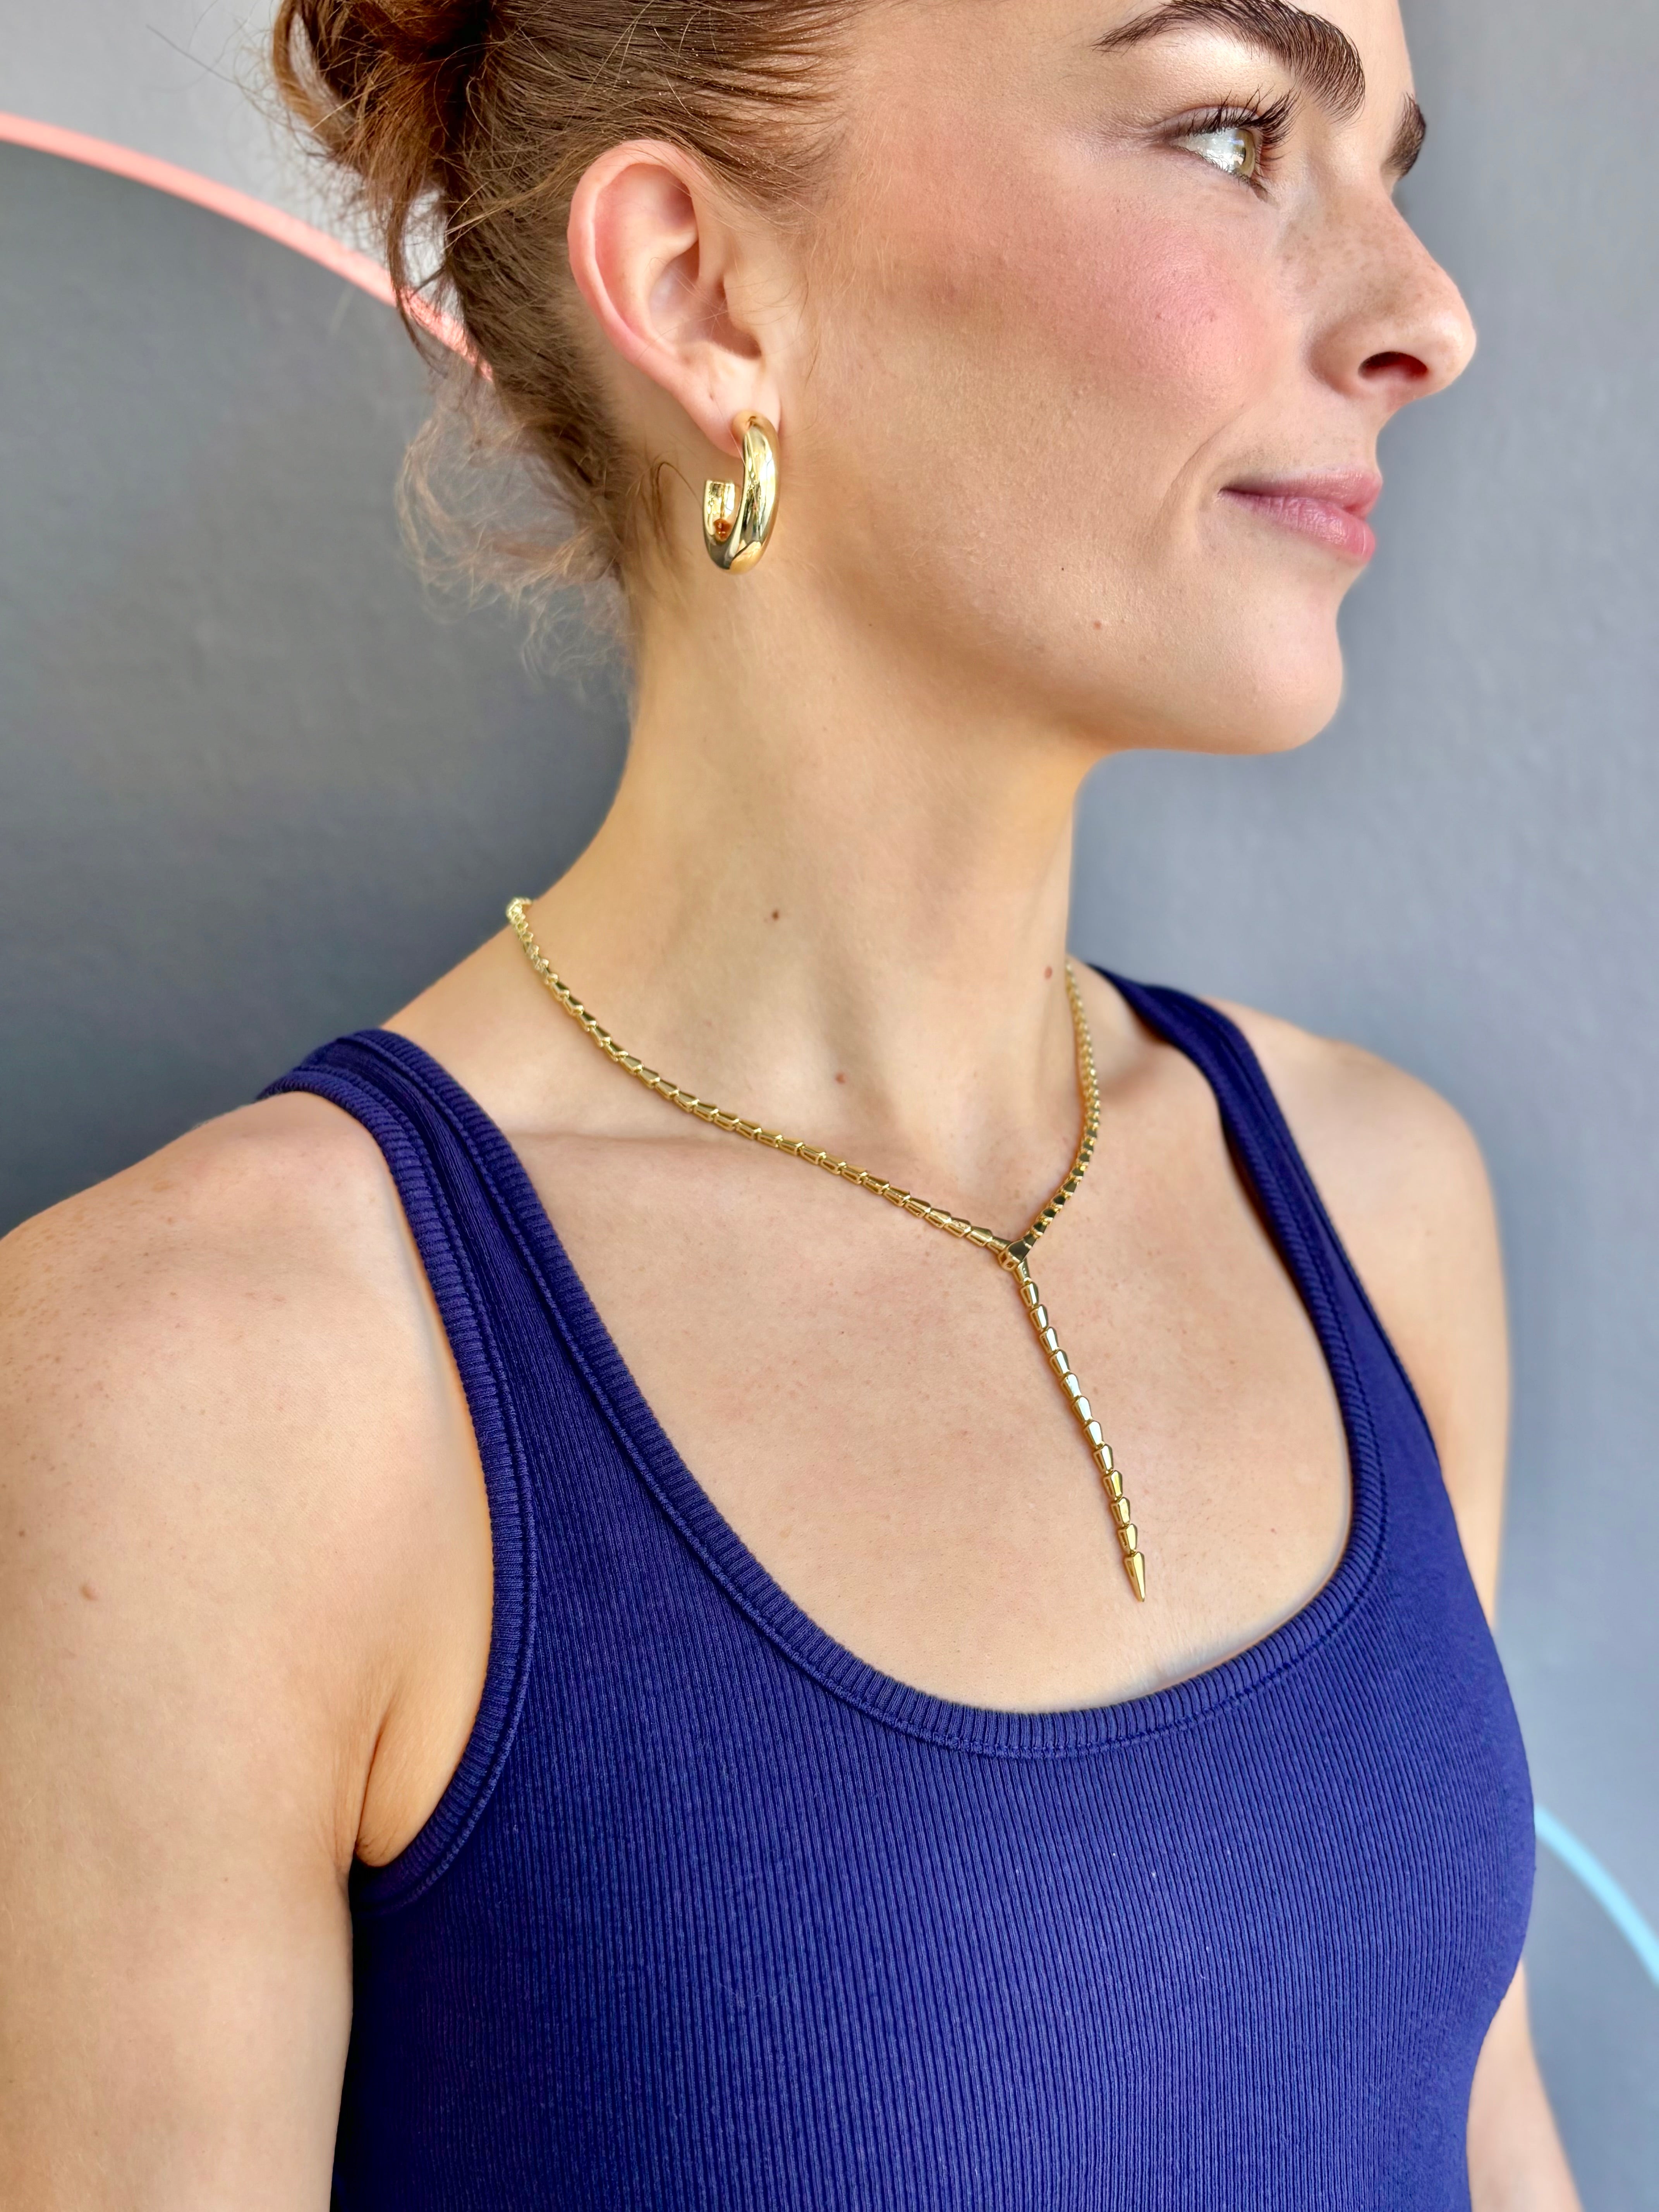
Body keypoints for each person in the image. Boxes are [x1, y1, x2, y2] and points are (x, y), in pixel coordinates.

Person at [0, 0, 1584, 2203]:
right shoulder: (225, 1382)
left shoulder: (1375, 1207)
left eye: (1389, 167)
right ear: (703, 293)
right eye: (1233, 135)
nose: (1431, 315)